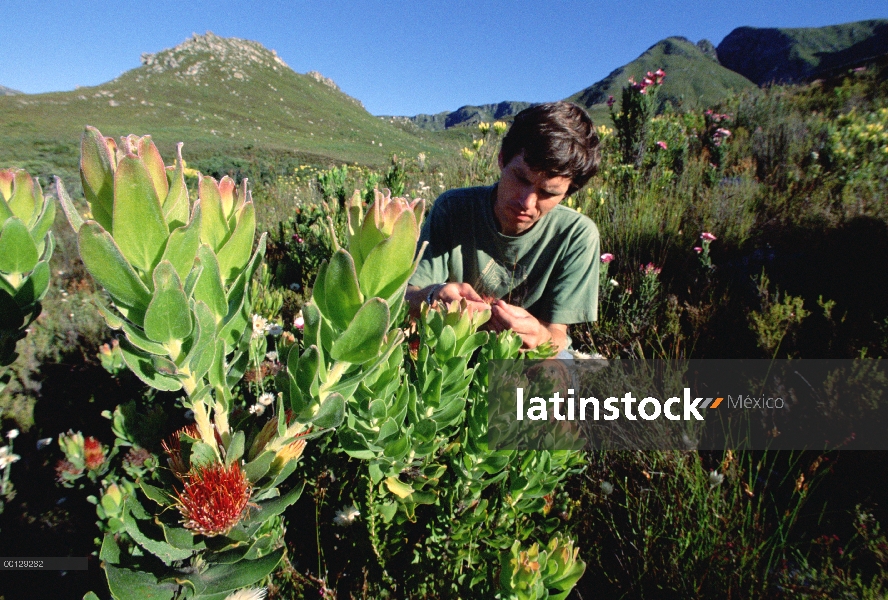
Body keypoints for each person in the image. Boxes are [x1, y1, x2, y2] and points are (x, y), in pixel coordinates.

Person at [405, 101, 601, 353]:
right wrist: (432, 296)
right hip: (452, 347)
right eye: (521, 179)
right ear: (501, 159)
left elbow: (557, 336)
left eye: (548, 192)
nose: (527, 202)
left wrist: (539, 336)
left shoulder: (577, 235)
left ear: (567, 192)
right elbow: (407, 296)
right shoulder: (453, 208)